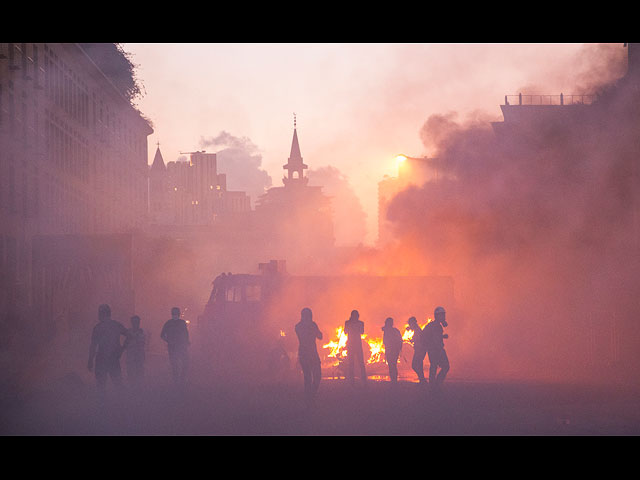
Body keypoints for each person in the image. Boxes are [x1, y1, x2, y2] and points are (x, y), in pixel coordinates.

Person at [87, 304, 128, 397]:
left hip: (101, 359)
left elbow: (93, 345)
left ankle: (103, 407)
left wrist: (90, 360)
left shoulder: (98, 327)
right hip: (113, 358)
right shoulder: (116, 325)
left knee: (101, 386)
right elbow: (129, 335)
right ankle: (125, 405)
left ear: (101, 314)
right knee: (118, 383)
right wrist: (122, 349)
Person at [294, 307, 323, 403]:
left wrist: (315, 329)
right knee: (308, 376)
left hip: (312, 353)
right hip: (305, 353)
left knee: (317, 375)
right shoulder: (299, 326)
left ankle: (311, 394)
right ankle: (309, 397)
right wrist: (312, 328)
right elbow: (307, 336)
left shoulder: (310, 325)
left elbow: (320, 336)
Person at [160, 307, 190, 387]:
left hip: (181, 347)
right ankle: (176, 381)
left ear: (179, 314)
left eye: (176, 313)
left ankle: (181, 380)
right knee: (174, 364)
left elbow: (186, 334)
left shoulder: (181, 323)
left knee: (184, 363)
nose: (175, 315)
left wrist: (186, 342)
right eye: (174, 313)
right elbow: (162, 335)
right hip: (173, 347)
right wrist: (169, 341)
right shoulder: (168, 323)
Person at [424, 306, 450, 390]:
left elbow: (435, 336)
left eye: (443, 315)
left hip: (434, 350)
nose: (443, 317)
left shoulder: (435, 325)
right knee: (444, 366)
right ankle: (436, 384)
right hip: (436, 350)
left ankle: (433, 385)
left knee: (434, 366)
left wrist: (442, 336)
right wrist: (438, 350)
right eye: (442, 315)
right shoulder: (435, 326)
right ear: (437, 316)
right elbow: (433, 339)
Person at [344, 309, 367, 386]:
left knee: (360, 363)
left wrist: (352, 326)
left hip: (356, 344)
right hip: (351, 345)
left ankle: (363, 379)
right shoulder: (348, 323)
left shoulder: (360, 323)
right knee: (352, 363)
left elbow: (362, 332)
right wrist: (350, 325)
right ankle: (352, 380)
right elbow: (345, 331)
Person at [123, 315, 146, 385]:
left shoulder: (142, 332)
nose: (135, 323)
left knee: (139, 371)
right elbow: (125, 342)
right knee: (130, 372)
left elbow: (143, 344)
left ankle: (139, 387)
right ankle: (131, 386)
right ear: (132, 322)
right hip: (130, 355)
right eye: (134, 322)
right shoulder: (128, 332)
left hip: (139, 355)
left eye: (137, 322)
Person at [382, 317, 403, 384]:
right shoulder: (395, 331)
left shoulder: (388, 331)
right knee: (393, 365)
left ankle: (394, 380)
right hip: (394, 351)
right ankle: (394, 380)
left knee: (392, 365)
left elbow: (385, 341)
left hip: (391, 351)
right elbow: (400, 341)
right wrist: (399, 349)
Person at [407, 316, 427, 384]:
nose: (409, 325)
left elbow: (418, 339)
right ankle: (422, 380)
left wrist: (412, 340)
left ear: (413, 323)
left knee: (415, 365)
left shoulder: (417, 330)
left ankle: (422, 379)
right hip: (420, 350)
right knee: (419, 366)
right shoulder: (417, 329)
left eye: (410, 324)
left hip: (420, 350)